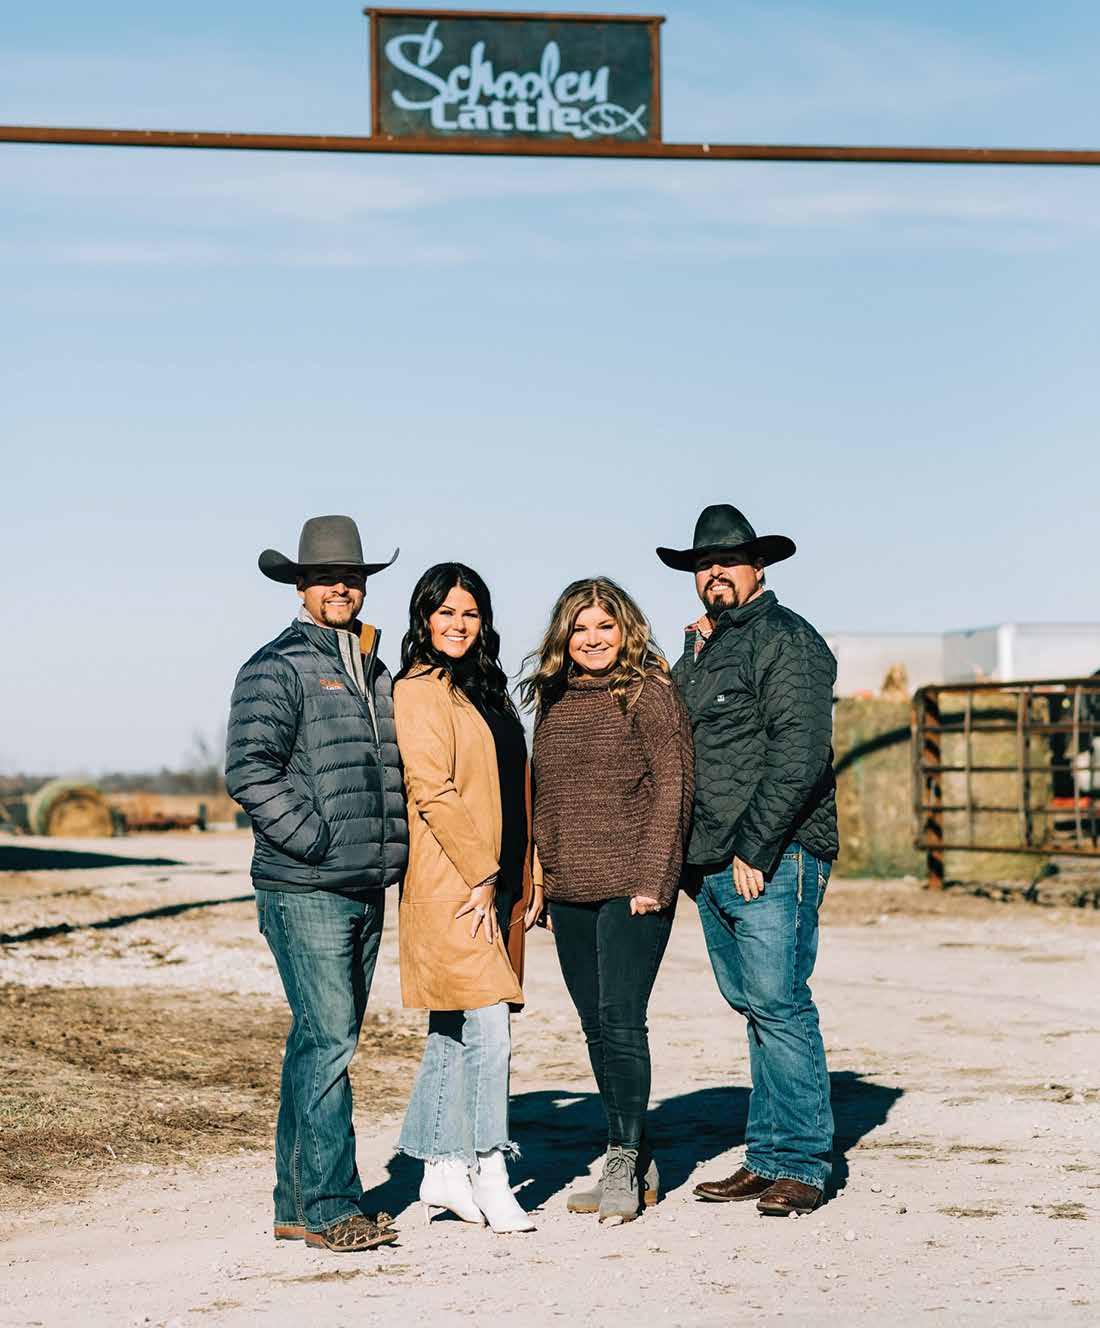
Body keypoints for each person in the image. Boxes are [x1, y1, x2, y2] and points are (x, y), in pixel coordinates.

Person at [225, 515, 408, 1252]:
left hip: (365, 883)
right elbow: (249, 770)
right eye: (327, 577)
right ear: (300, 586)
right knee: (330, 1040)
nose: (341, 587)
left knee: (319, 1041)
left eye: (352, 577)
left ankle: (296, 1203)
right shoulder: (278, 666)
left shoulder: (373, 667)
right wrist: (314, 839)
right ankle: (333, 1207)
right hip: (305, 886)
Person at [658, 503, 839, 1217]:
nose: (715, 574)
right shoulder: (707, 649)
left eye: (728, 562)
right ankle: (767, 1157)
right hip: (713, 861)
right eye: (704, 565)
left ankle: (801, 1163)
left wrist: (757, 847)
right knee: (757, 1008)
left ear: (758, 567)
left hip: (770, 855)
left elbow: (800, 754)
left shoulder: (788, 640)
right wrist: (693, 651)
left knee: (780, 1003)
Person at [524, 577, 693, 1225]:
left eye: (605, 626)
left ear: (626, 630)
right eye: (580, 627)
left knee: (622, 1019)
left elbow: (675, 785)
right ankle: (637, 1153)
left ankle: (620, 1157)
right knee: (594, 1024)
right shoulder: (554, 696)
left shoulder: (650, 692)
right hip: (570, 886)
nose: (592, 639)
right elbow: (545, 791)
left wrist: (655, 877)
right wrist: (541, 874)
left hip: (633, 886)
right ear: (563, 635)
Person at [392, 563, 543, 1235]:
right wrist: (481, 874)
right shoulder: (418, 690)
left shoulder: (485, 689)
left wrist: (529, 872)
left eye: (470, 612)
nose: (458, 624)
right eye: (446, 611)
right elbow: (432, 789)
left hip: (499, 882)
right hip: (455, 884)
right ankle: (489, 1167)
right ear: (424, 618)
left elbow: (514, 787)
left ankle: (440, 1168)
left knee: (453, 1030)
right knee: (489, 1028)